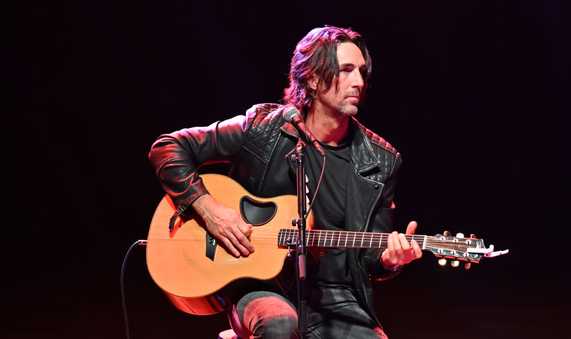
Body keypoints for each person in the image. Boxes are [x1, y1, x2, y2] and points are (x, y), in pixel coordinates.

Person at [148, 25, 422, 339]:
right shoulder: (264, 128)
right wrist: (210, 209)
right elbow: (167, 147)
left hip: (334, 297)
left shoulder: (380, 160)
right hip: (259, 285)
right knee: (280, 324)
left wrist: (389, 260)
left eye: (361, 71)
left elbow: (370, 257)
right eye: (346, 70)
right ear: (314, 79)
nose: (359, 82)